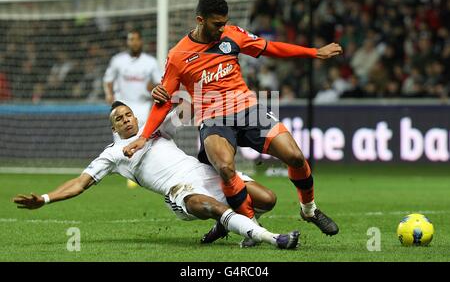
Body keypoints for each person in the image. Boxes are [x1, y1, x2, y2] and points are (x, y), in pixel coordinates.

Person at [123, 0, 342, 242]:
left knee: (294, 156)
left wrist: (313, 53)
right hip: (213, 117)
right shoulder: (178, 56)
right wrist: (144, 136)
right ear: (200, 20)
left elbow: (272, 48)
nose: (221, 29)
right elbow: (163, 101)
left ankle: (309, 210)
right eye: (217, 24)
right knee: (226, 169)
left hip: (247, 109)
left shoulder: (233, 34)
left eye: (224, 23)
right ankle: (250, 226)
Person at [12, 101, 299, 250]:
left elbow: (184, 109)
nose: (126, 119)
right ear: (114, 128)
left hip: (204, 173)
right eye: (119, 119)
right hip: (178, 190)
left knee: (268, 199)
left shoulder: (157, 128)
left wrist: (176, 91)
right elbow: (80, 183)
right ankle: (271, 238)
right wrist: (46, 198)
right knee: (212, 206)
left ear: (136, 117)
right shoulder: (113, 153)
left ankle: (236, 228)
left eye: (128, 115)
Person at [103, 29, 162, 188]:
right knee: (119, 140)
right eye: (130, 39)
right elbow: (108, 79)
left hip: (142, 105)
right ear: (127, 42)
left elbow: (158, 83)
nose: (133, 42)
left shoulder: (150, 62)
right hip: (122, 105)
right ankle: (122, 169)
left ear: (141, 41)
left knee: (141, 137)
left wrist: (153, 88)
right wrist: (109, 94)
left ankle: (136, 171)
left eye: (136, 39)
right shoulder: (118, 60)